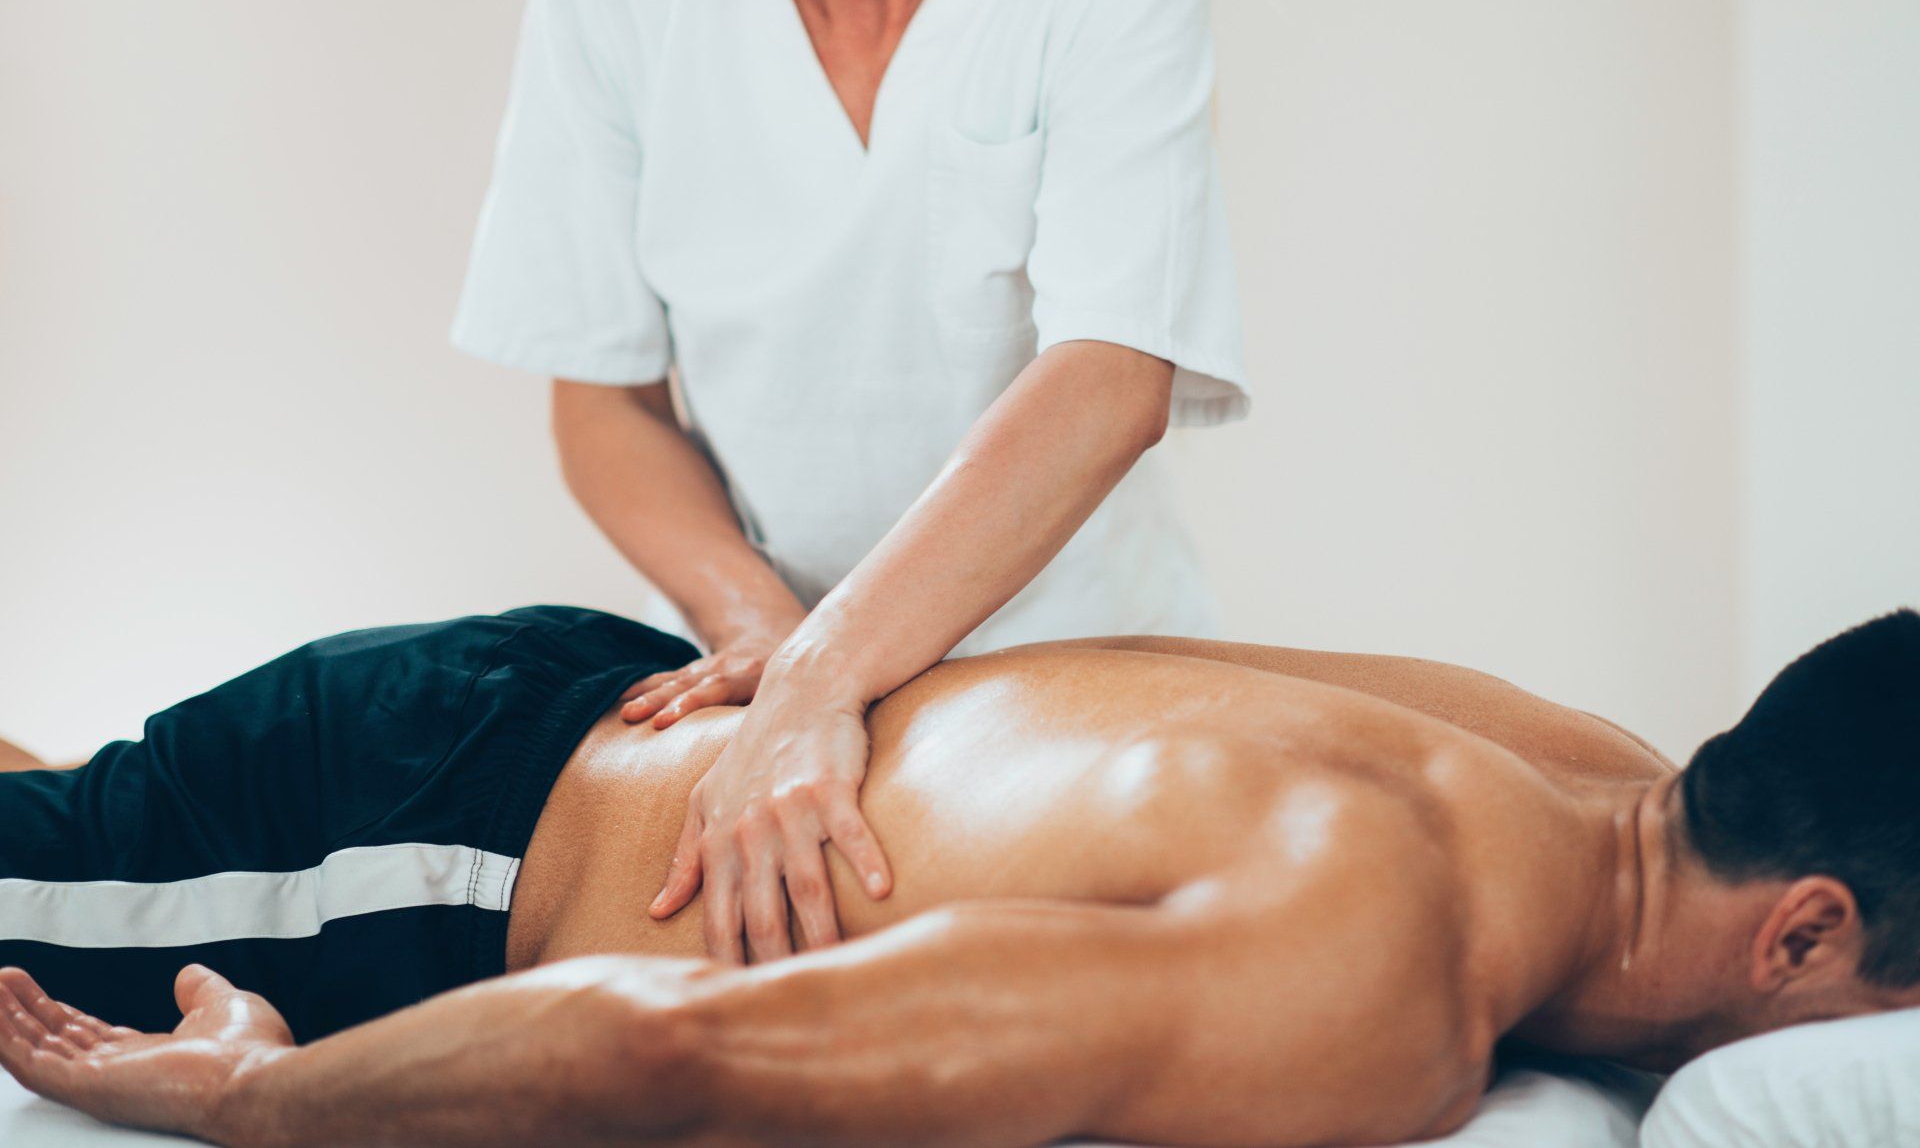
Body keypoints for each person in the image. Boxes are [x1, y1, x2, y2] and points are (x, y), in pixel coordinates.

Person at [2, 606, 1917, 1147]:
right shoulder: (1368, 984)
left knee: (74, 809)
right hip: (427, 849)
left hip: (553, 708)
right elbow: (686, 1050)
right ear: (1808, 928)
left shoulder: (1554, 741)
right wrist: (259, 1101)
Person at [449, 0, 1250, 957]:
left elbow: (1108, 379)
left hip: (1070, 666)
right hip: (745, 692)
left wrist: (823, 674)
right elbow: (604, 407)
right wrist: (765, 641)